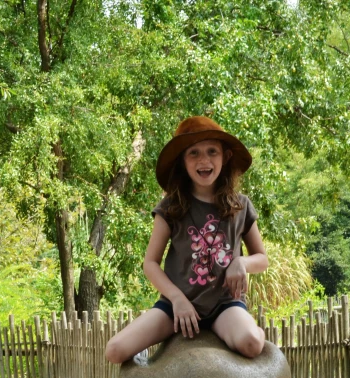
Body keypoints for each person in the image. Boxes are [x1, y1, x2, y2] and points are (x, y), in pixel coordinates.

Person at [105, 116, 268, 364]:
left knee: (252, 343)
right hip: (177, 305)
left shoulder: (241, 205)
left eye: (212, 151)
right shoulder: (170, 207)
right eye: (194, 153)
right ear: (183, 161)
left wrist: (242, 263)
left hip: (224, 305)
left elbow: (262, 259)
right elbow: (150, 263)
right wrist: (177, 299)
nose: (204, 160)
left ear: (225, 157)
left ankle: (238, 329)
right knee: (115, 350)